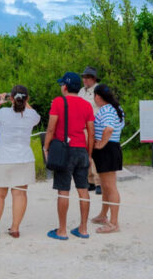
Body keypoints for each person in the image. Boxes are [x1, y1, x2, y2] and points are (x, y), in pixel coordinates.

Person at [0, 85, 41, 239]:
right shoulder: (31, 115)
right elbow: (34, 114)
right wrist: (23, 99)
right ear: (26, 99)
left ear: (11, 98)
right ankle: (15, 228)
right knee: (20, 194)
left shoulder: (3, 113)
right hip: (24, 158)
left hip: (4, 159)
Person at [43, 72, 95, 240]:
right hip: (81, 150)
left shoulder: (59, 102)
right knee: (83, 190)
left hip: (65, 150)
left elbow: (51, 128)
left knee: (63, 190)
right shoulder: (87, 105)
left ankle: (62, 230)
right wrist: (90, 153)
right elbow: (91, 132)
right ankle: (83, 228)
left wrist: (46, 147)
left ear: (65, 86)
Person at [90, 84, 125, 233]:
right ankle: (104, 214)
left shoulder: (107, 110)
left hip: (107, 149)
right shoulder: (116, 108)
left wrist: (101, 144)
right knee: (105, 185)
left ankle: (114, 223)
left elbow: (109, 128)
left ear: (98, 97)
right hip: (109, 149)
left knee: (110, 186)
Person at [79, 66, 102, 194]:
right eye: (84, 77)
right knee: (85, 154)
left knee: (94, 154)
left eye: (87, 77)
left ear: (93, 78)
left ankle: (99, 182)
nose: (85, 80)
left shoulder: (98, 90)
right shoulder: (82, 91)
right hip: (82, 126)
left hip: (94, 125)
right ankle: (90, 181)